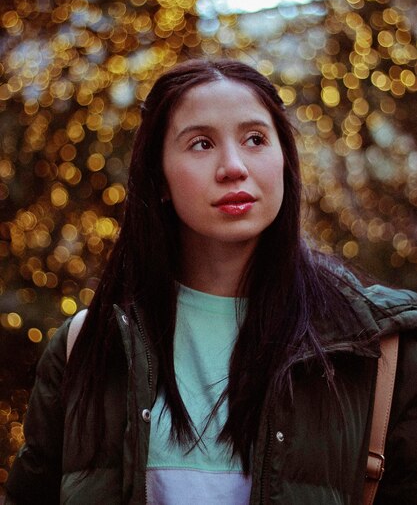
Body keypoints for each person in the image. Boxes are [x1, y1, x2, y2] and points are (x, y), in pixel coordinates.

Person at [5, 58, 417, 505]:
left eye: (255, 139)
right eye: (201, 144)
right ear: (159, 178)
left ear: (285, 161)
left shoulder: (378, 348)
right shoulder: (91, 344)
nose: (233, 167)